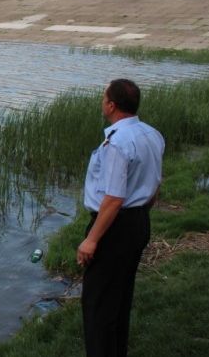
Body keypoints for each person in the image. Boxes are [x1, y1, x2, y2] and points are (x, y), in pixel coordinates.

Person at [78, 79, 165, 357]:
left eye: (104, 97)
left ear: (112, 105)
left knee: (98, 304)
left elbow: (114, 199)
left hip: (114, 228)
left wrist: (91, 240)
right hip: (138, 222)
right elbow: (154, 186)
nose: (102, 102)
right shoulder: (152, 134)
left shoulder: (117, 143)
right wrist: (138, 217)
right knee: (120, 297)